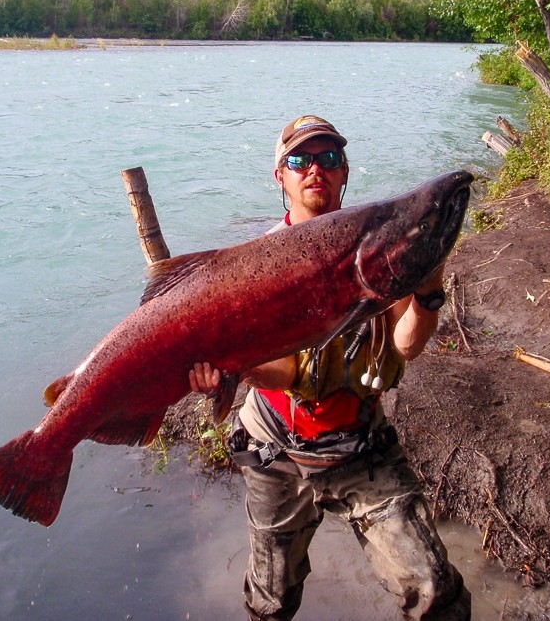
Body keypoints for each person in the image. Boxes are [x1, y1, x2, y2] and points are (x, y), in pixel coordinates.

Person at [189, 115, 471, 620]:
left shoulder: (376, 244)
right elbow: (278, 372)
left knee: (435, 592)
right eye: (299, 160)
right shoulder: (258, 262)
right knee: (271, 599)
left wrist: (428, 294)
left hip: (361, 443)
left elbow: (406, 346)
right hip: (276, 447)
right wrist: (232, 368)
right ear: (281, 176)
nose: (314, 169)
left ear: (344, 171)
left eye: (328, 158)